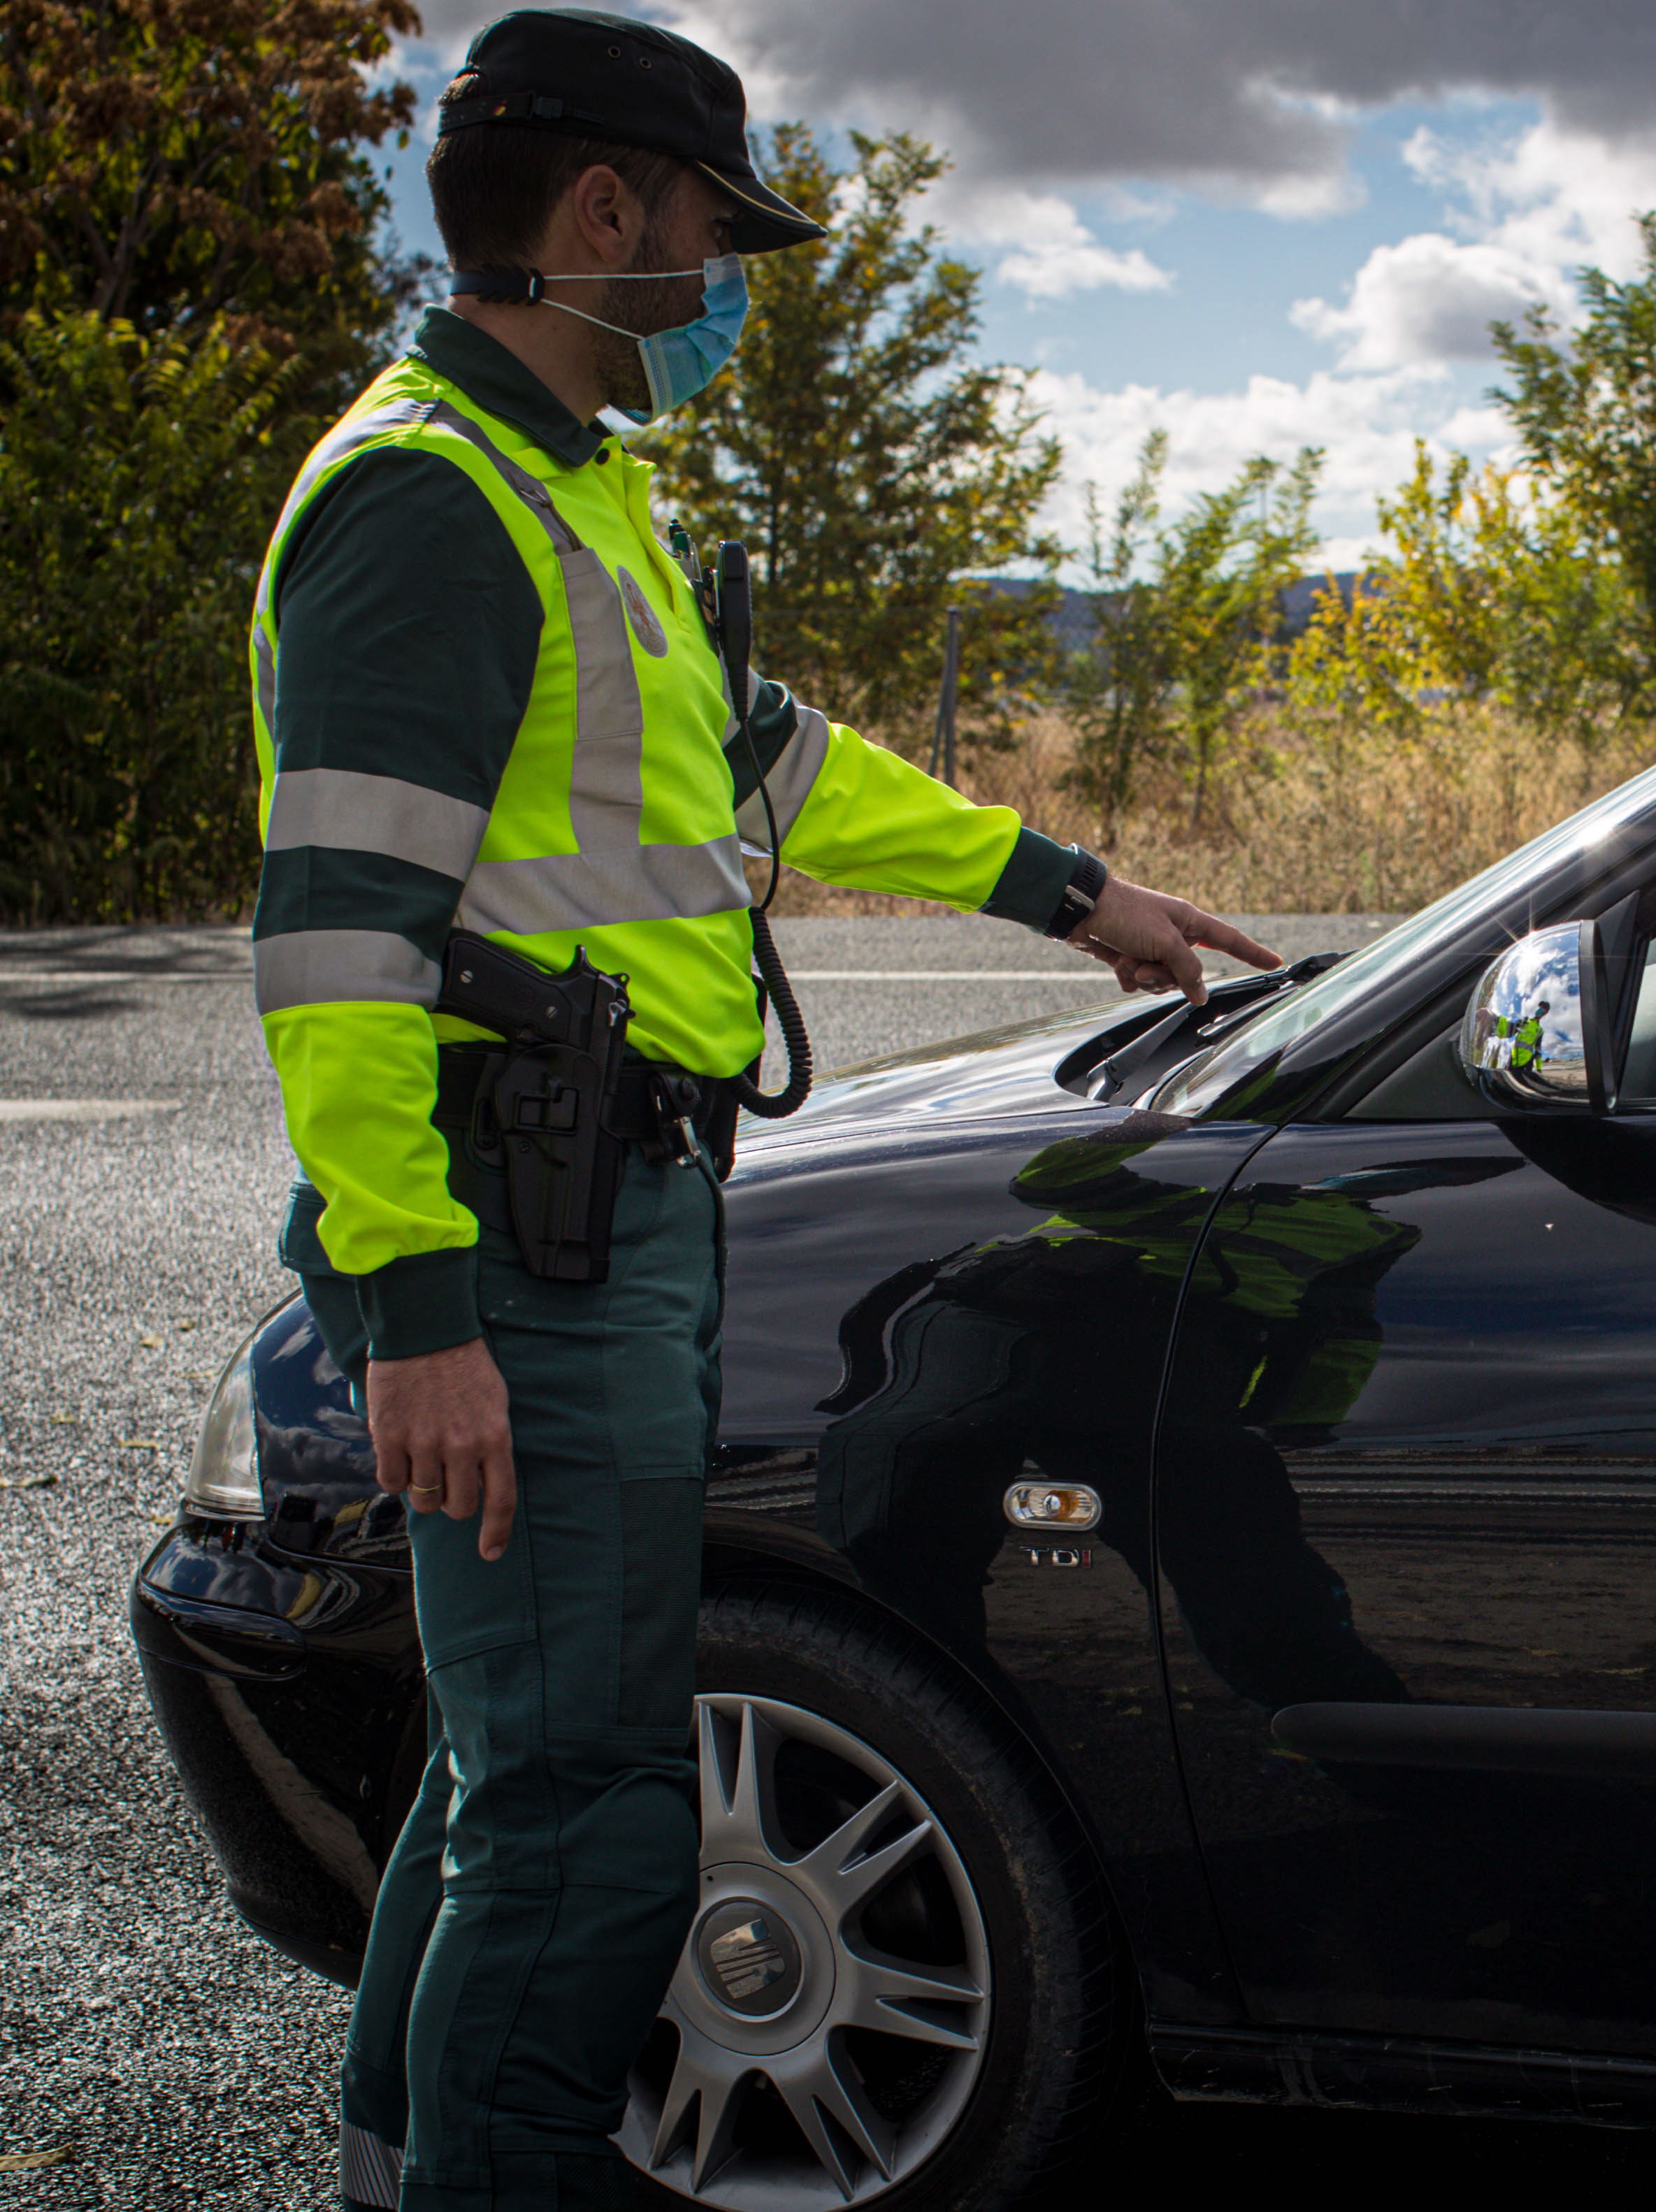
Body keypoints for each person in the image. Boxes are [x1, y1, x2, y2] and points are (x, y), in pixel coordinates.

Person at [250, 13, 1275, 2207]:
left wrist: (1075, 891)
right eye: (718, 230)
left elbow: (781, 767)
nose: (731, 279)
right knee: (591, 1809)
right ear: (604, 214)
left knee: (508, 1768)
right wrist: (415, 1301)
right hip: (517, 1248)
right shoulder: (429, 501)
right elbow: (334, 938)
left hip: (606, 1215)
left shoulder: (578, 490)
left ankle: (391, 2164)